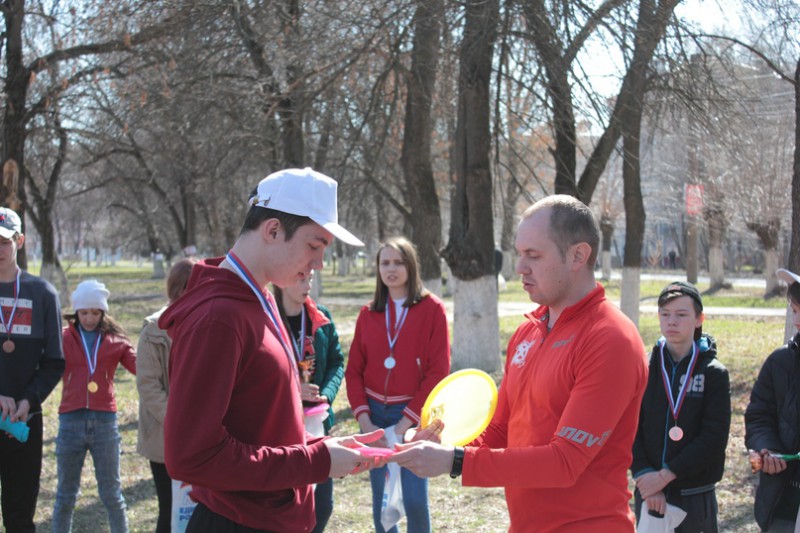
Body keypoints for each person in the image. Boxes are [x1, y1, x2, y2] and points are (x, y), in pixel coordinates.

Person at [390, 194, 648, 532]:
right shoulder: (529, 330)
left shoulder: (610, 338)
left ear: (578, 255)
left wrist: (455, 461)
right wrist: (443, 442)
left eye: (533, 256)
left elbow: (564, 462)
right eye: (520, 253)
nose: (520, 267)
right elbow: (501, 428)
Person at [160, 167, 384, 533]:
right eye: (314, 245)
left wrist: (322, 446)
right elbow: (191, 457)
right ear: (273, 230)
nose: (319, 263)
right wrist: (315, 460)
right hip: (237, 523)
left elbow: (258, 423)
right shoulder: (220, 316)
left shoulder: (258, 296)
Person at [345, 236, 451, 533]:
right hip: (374, 417)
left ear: (411, 266)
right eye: (385, 263)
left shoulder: (432, 309)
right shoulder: (368, 314)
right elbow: (354, 372)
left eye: (398, 262)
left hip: (413, 417)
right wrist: (366, 425)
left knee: (415, 499)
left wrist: (405, 424)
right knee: (382, 500)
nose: (391, 269)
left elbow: (437, 371)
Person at [631, 281, 731, 531]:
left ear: (699, 319)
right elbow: (630, 426)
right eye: (665, 314)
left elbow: (713, 438)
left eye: (681, 314)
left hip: (695, 494)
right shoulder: (645, 368)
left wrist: (664, 477)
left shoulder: (713, 373)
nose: (671, 321)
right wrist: (645, 476)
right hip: (650, 493)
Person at [52, 279, 137, 533]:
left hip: (105, 424)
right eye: (84, 312)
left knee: (112, 494)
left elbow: (141, 369)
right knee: (65, 495)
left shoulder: (116, 341)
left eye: (95, 312)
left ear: (103, 312)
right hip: (70, 422)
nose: (89, 318)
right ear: (76, 312)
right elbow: (44, 366)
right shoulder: (63, 338)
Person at [0, 207, 64, 533]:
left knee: (19, 517)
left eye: (4, 242)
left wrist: (28, 400)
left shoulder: (43, 294)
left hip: (23, 423)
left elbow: (54, 362)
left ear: (19, 241)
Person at [274, 271, 345, 533]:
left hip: (318, 425)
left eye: (311, 278)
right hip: (281, 428)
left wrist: (326, 393)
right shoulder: (267, 317)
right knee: (288, 505)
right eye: (300, 278)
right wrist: (294, 390)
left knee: (322, 505)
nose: (307, 285)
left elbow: (337, 362)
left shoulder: (320, 316)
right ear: (281, 279)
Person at [136, 258, 197, 533]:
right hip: (165, 439)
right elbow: (149, 387)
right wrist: (178, 422)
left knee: (199, 510)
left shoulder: (208, 323)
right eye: (186, 288)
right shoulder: (153, 329)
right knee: (170, 511)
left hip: (202, 438)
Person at [745, 268, 800, 532]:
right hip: (784, 504)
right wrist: (767, 448)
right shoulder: (780, 362)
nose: (797, 320)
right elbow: (759, 416)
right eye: (795, 310)